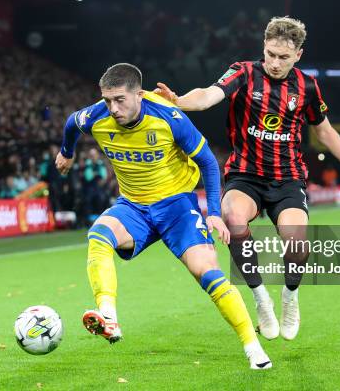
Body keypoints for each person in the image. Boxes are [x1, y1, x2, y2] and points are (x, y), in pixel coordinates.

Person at [154, 16, 340, 342]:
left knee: (297, 244)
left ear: (298, 55)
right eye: (270, 54)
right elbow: (210, 95)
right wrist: (180, 102)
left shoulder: (306, 86)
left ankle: (290, 296)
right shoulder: (243, 72)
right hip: (245, 175)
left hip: (288, 178)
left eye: (283, 57)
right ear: (263, 48)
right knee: (233, 217)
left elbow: (323, 129)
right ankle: (260, 298)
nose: (275, 63)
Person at [55, 63, 272, 369]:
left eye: (120, 100)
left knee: (206, 272)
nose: (113, 108)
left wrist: (212, 213)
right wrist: (67, 151)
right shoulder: (96, 116)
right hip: (133, 207)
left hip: (177, 208)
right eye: (107, 100)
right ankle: (109, 316)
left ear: (138, 95)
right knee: (98, 235)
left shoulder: (169, 118)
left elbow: (209, 162)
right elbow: (71, 123)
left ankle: (253, 348)